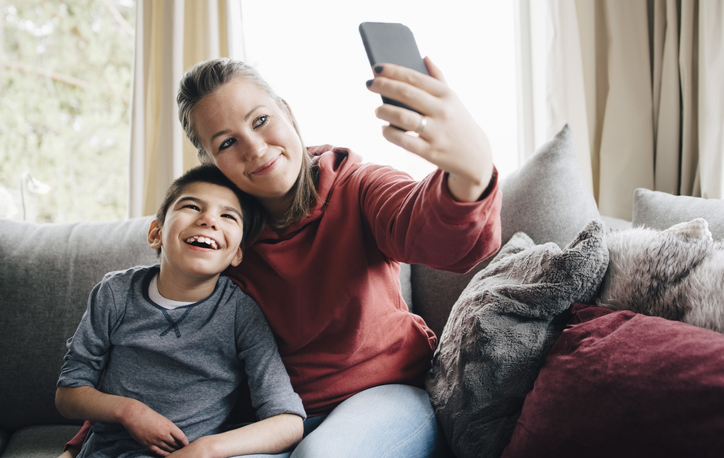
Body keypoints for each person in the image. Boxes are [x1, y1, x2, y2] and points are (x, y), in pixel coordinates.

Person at [65, 55, 502, 457]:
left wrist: (470, 170)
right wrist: (85, 442)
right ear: (211, 161)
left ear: (287, 113)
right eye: (226, 143)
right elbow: (148, 351)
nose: (255, 148)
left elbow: (436, 235)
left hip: (382, 394)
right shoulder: (220, 240)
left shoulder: (359, 186)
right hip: (271, 419)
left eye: (261, 120)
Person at [56, 165, 306, 458]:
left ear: (237, 254)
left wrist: (206, 449)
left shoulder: (241, 314)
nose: (209, 219)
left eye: (227, 216)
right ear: (156, 234)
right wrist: (128, 411)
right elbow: (68, 394)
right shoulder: (115, 293)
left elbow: (288, 422)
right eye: (191, 206)